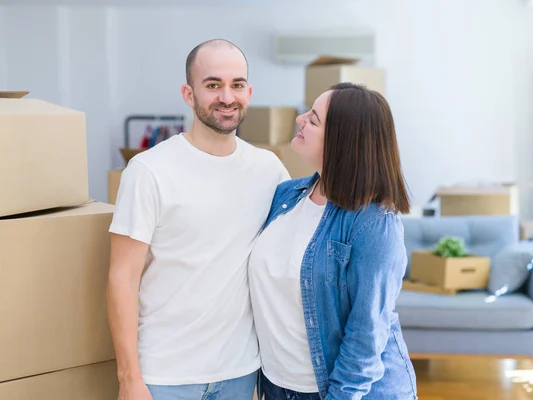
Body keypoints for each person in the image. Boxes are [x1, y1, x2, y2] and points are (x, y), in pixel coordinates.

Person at [106, 39, 290, 400]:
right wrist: (129, 379)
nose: (226, 96)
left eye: (236, 84)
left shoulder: (270, 170)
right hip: (165, 375)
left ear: (248, 92)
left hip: (241, 373)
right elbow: (122, 277)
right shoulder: (148, 171)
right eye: (212, 85)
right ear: (188, 94)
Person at [248, 82, 418, 399]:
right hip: (279, 387)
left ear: (342, 142)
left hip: (348, 392)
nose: (299, 119)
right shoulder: (286, 195)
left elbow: (366, 333)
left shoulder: (375, 223)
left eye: (313, 120)